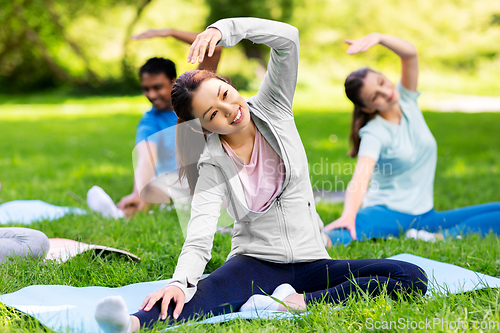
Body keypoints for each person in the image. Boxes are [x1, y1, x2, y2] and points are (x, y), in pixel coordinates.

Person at [94, 18, 428, 333]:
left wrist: (224, 29)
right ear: (204, 127)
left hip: (313, 262)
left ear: (229, 85)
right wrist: (180, 282)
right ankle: (132, 324)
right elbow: (200, 233)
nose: (229, 111)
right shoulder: (211, 162)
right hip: (255, 262)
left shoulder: (274, 107)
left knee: (409, 276)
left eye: (225, 95)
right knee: (201, 296)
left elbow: (288, 40)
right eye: (213, 114)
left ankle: (294, 303)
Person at [324, 33, 500, 245]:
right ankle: (436, 237)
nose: (385, 91)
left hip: (424, 215)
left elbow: (410, 55)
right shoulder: (374, 132)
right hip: (388, 213)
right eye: (375, 96)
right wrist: (349, 214)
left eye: (381, 82)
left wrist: (379, 38)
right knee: (341, 233)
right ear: (368, 107)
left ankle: (431, 235)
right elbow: (361, 177)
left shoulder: (406, 99)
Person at [112, 29, 222, 217]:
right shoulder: (150, 120)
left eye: (157, 87)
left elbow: (216, 48)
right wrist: (137, 192)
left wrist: (170, 32)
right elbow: (146, 158)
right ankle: (120, 212)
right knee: (147, 194)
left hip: (207, 172)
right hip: (173, 181)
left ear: (173, 82)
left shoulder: (195, 95)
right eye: (146, 89)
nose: (151, 95)